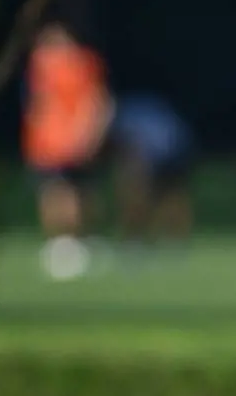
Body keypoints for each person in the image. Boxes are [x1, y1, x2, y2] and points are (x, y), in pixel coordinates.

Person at [21, 23, 112, 277]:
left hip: (69, 140)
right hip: (47, 142)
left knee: (73, 192)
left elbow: (95, 101)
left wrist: (88, 133)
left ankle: (74, 240)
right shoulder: (41, 64)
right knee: (56, 191)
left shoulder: (80, 63)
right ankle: (63, 242)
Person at [108, 94, 196, 245]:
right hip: (175, 152)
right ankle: (170, 239)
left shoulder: (125, 117)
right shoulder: (143, 110)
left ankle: (137, 238)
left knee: (141, 195)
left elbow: (131, 150)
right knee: (171, 196)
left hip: (164, 153)